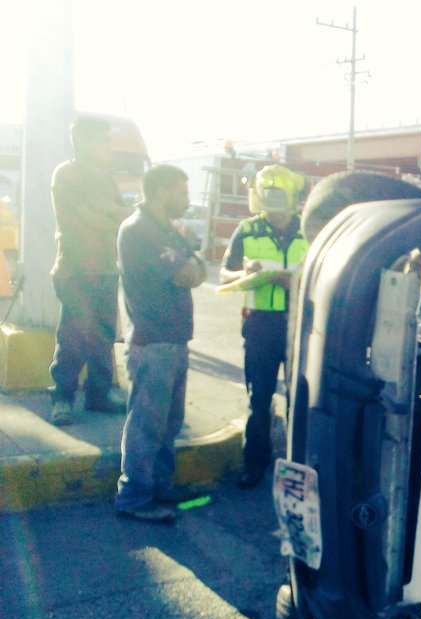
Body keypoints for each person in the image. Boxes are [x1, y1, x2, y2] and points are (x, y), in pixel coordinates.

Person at [115, 164, 206, 522]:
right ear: (163, 191)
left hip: (173, 340)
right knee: (146, 424)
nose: (186, 200)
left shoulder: (165, 229)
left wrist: (193, 266)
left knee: (169, 423)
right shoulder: (140, 230)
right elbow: (188, 272)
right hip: (153, 342)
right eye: (181, 192)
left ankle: (158, 485)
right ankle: (134, 497)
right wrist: (193, 266)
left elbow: (196, 268)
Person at [220, 165, 309, 489]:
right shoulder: (247, 229)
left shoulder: (308, 229)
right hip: (261, 325)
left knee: (300, 399)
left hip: (301, 324)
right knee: (259, 397)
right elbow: (224, 275)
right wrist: (245, 271)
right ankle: (255, 462)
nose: (274, 205)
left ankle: (299, 464)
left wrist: (296, 282)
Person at [48, 115, 132, 425]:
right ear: (82, 141)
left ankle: (99, 394)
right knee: (73, 336)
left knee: (102, 336)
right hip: (74, 271)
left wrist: (107, 210)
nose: (109, 147)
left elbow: (122, 214)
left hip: (106, 270)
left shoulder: (106, 177)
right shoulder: (67, 174)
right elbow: (87, 217)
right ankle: (62, 397)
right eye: (104, 140)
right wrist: (111, 215)